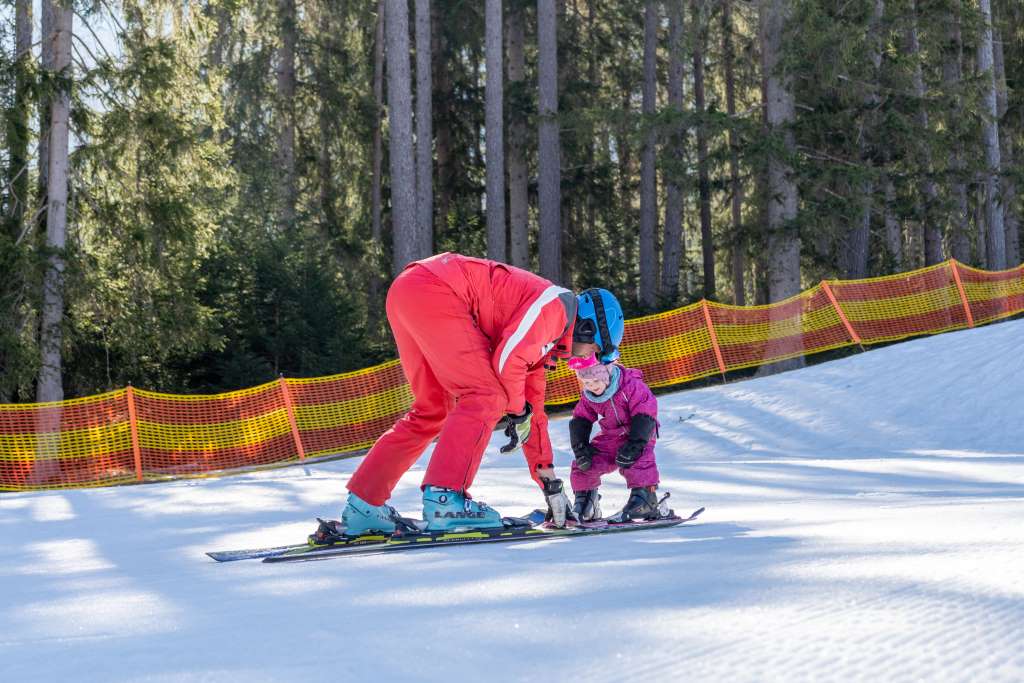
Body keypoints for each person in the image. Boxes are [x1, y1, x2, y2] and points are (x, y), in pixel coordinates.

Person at [339, 251, 626, 536]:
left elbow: (532, 412)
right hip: (437, 289)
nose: (586, 362)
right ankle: (445, 499)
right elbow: (507, 364)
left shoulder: (545, 343)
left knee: (433, 408)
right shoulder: (556, 307)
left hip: (410, 290)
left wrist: (549, 482)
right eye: (595, 353)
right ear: (588, 329)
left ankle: (363, 504)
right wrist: (516, 411)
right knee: (486, 395)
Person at [567, 355, 662, 523]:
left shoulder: (631, 386)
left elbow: (646, 412)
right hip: (612, 435)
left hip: (639, 434)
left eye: (595, 381)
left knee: (638, 461)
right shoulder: (589, 396)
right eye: (587, 383)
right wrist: (580, 447)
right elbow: (580, 418)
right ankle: (586, 502)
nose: (592, 387)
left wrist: (635, 444)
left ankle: (645, 499)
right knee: (585, 463)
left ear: (606, 376)